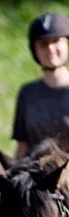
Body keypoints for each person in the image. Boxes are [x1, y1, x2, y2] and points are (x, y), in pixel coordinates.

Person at [12, 13, 69, 157]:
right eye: (43, 44)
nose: (50, 48)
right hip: (37, 173)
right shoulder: (28, 93)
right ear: (35, 49)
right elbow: (22, 146)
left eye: (56, 41)